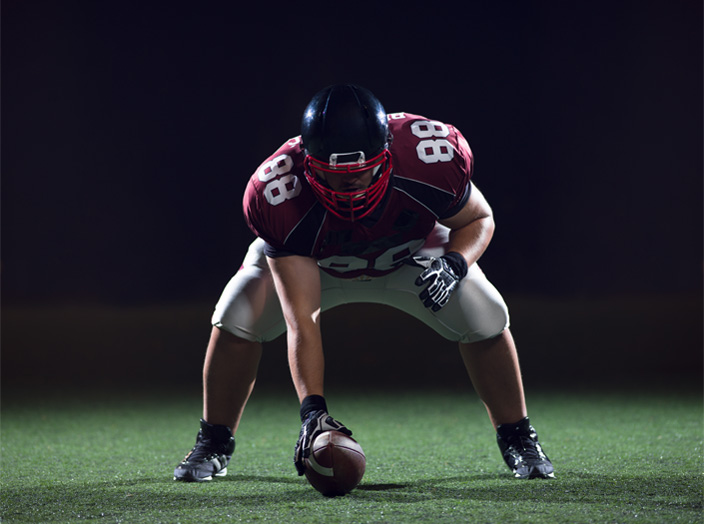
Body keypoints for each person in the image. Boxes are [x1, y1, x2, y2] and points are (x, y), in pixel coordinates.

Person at [173, 84, 554, 482]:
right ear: (308, 161)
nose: (348, 188)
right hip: (318, 263)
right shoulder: (279, 196)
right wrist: (313, 411)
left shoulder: (429, 159)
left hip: (411, 252)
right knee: (236, 314)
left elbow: (480, 219)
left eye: (359, 172)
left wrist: (456, 264)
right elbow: (303, 318)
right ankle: (213, 441)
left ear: (387, 153)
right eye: (332, 175)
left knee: (485, 313)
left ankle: (518, 437)